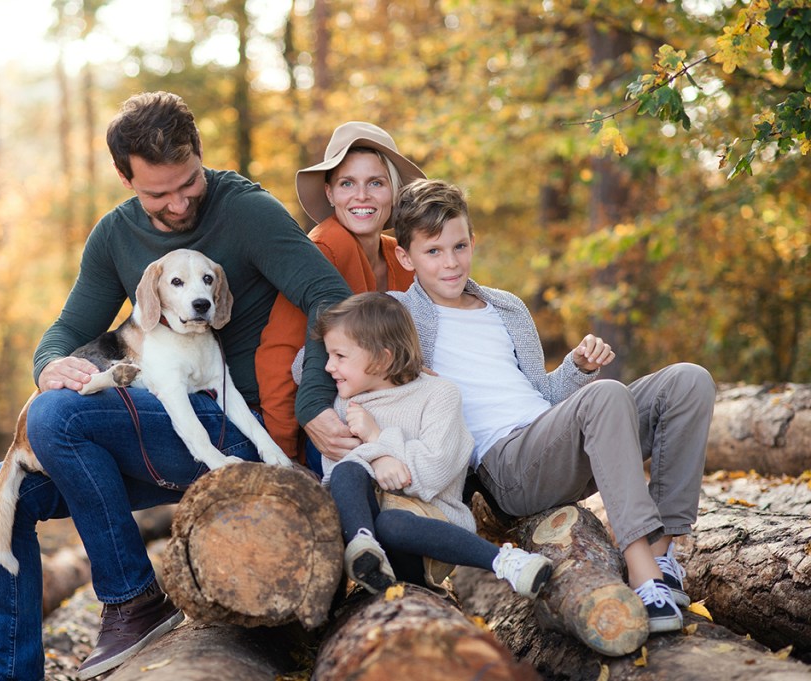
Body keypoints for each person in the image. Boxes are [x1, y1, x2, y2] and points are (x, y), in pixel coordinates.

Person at [0, 91, 351, 681]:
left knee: (54, 421)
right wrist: (49, 364)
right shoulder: (115, 236)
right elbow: (71, 328)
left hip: (231, 425)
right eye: (157, 194)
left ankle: (132, 597)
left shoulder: (248, 210)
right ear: (125, 178)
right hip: (150, 428)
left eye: (189, 182)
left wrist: (314, 402)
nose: (178, 204)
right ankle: (12, 674)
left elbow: (329, 295)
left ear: (200, 155)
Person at [388, 178, 716, 634]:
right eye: (433, 251)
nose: (451, 262)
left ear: (473, 241)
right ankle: (644, 575)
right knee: (605, 395)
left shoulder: (505, 307)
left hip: (552, 437)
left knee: (687, 380)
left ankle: (663, 557)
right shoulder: (397, 314)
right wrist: (406, 378)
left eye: (459, 245)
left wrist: (577, 367)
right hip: (509, 470)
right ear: (405, 257)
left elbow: (540, 394)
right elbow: (319, 359)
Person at [313, 292, 553, 598]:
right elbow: (335, 472)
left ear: (383, 358)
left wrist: (377, 438)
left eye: (340, 356)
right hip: (374, 533)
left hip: (429, 532)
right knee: (348, 472)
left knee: (392, 523)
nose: (328, 367)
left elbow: (430, 473)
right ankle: (364, 552)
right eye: (329, 355)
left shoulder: (439, 395)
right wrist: (379, 461)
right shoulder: (346, 403)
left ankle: (507, 563)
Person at [255, 122, 423, 472]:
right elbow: (279, 353)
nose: (361, 196)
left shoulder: (401, 256)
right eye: (348, 184)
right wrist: (285, 454)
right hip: (335, 430)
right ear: (330, 193)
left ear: (394, 192)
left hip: (395, 419)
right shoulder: (318, 252)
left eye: (375, 183)